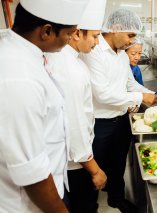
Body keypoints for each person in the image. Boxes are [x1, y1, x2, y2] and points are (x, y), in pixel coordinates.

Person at [0, 0, 89, 212]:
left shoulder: (26, 53)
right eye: (68, 34)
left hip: (52, 186)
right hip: (29, 204)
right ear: (47, 31)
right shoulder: (18, 76)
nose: (70, 40)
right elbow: (31, 172)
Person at [81, 9, 157, 213]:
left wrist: (150, 93)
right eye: (130, 35)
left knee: (118, 164)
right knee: (94, 169)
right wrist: (141, 98)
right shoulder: (94, 52)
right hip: (99, 123)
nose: (131, 41)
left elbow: (130, 84)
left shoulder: (122, 57)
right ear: (115, 29)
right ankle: (90, 206)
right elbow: (103, 94)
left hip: (120, 120)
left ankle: (116, 199)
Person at [45, 0, 107, 212]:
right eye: (96, 36)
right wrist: (95, 170)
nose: (97, 43)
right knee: (85, 206)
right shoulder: (69, 68)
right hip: (75, 164)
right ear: (77, 33)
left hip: (73, 159)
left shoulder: (67, 59)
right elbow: (74, 125)